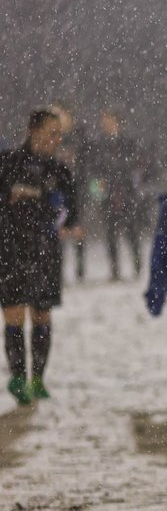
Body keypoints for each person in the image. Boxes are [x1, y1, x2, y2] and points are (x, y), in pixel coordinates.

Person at [0, 109, 84, 403]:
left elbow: (72, 213)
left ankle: (38, 379)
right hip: (10, 251)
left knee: (41, 315)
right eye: (52, 132)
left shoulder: (59, 171)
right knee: (13, 314)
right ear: (33, 131)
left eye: (59, 133)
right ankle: (19, 379)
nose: (57, 139)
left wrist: (67, 224)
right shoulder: (8, 163)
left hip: (45, 253)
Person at [85, 109, 157, 280]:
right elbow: (93, 171)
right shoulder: (98, 145)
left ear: (117, 122)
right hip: (108, 195)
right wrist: (98, 191)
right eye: (104, 122)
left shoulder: (129, 143)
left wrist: (132, 182)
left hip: (127, 194)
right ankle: (115, 270)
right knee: (111, 233)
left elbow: (140, 166)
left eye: (109, 121)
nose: (106, 125)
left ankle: (137, 265)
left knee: (132, 232)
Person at [48, 103, 89, 282]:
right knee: (59, 229)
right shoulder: (51, 137)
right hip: (59, 190)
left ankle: (80, 269)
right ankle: (58, 271)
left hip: (78, 187)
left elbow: (88, 162)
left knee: (78, 229)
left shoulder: (79, 137)